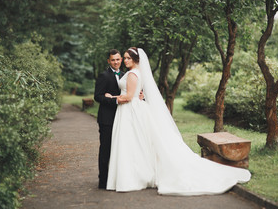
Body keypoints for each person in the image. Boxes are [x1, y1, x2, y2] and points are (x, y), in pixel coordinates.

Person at [106, 47, 251, 195]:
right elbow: (136, 93)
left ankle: (134, 176)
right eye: (124, 58)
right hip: (133, 108)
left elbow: (129, 96)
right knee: (136, 143)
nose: (125, 61)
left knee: (132, 142)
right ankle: (137, 174)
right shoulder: (138, 73)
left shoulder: (132, 74)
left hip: (130, 109)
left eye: (127, 58)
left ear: (136, 59)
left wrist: (111, 97)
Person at [94, 49, 127, 189]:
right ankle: (103, 181)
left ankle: (116, 179)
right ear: (109, 61)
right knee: (106, 149)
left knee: (120, 149)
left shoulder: (125, 75)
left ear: (121, 60)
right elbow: (98, 96)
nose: (116, 62)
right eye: (113, 60)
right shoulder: (103, 76)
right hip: (107, 119)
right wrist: (113, 101)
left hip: (123, 118)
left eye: (118, 59)